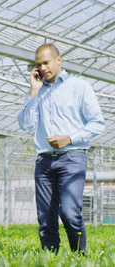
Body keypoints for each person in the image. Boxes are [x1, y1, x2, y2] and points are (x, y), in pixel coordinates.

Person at [18, 44, 105, 253]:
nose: (42, 68)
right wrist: (33, 91)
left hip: (73, 158)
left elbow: (97, 123)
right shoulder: (37, 91)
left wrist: (70, 138)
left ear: (59, 60)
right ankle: (50, 258)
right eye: (39, 64)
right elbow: (25, 124)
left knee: (69, 212)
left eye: (46, 62)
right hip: (44, 160)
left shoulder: (79, 87)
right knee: (46, 218)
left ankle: (79, 255)